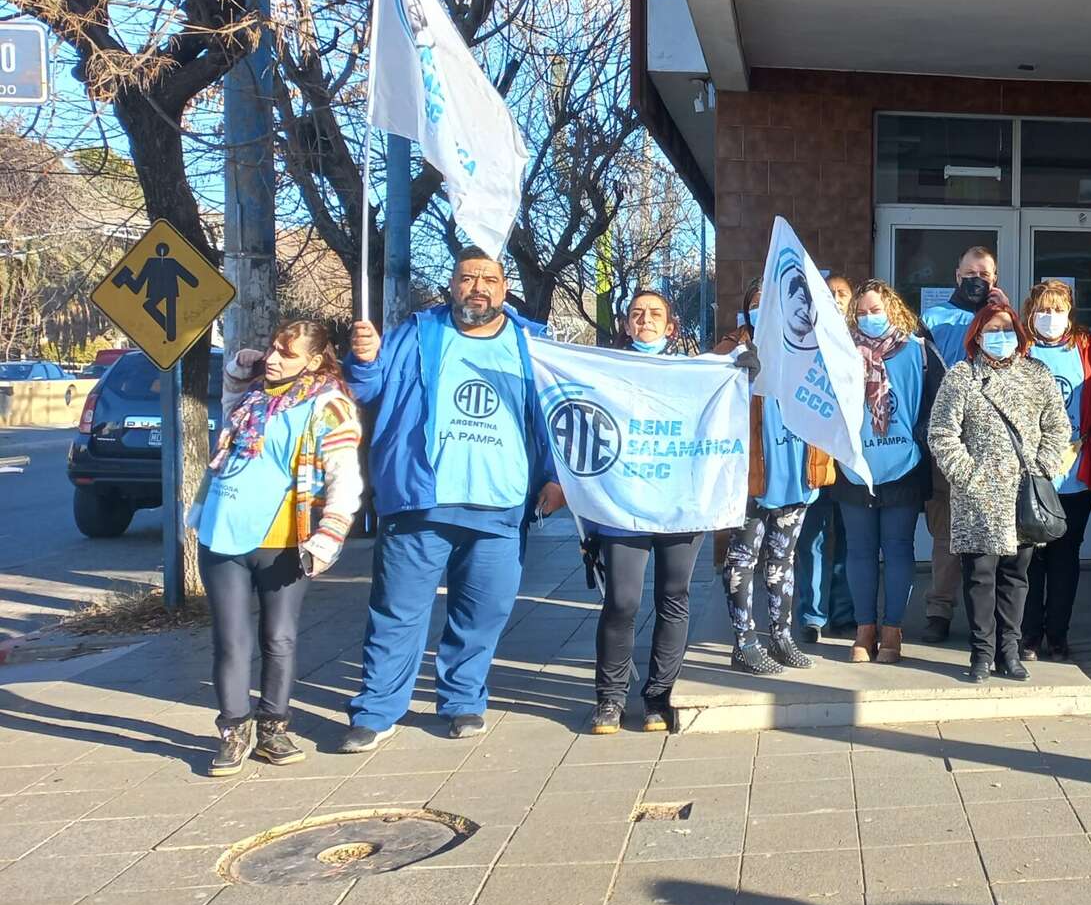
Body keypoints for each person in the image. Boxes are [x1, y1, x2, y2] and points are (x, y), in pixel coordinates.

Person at [343, 250, 563, 752]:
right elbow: (366, 389)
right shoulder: (415, 333)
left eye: (489, 278)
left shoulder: (533, 344)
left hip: (501, 504)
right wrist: (364, 357)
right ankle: (377, 710)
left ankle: (463, 700)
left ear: (505, 288)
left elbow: (554, 415)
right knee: (397, 612)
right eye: (467, 278)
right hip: (421, 500)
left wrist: (554, 478)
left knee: (482, 612)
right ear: (452, 285)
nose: (478, 287)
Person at [196, 321, 363, 775]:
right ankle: (233, 729)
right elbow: (229, 404)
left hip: (283, 539)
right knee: (230, 639)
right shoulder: (253, 397)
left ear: (313, 360)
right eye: (271, 349)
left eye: (285, 354)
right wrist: (235, 370)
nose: (271, 359)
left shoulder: (330, 407)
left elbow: (344, 478)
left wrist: (329, 533)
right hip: (222, 531)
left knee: (279, 637)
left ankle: (272, 726)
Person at [574, 289, 709, 736]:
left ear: (671, 327)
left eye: (655, 314)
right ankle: (610, 699)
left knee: (674, 597)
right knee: (622, 600)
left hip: (678, 504)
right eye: (637, 314)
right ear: (626, 325)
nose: (645, 320)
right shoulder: (605, 372)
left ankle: (657, 697)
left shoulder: (694, 373)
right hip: (623, 503)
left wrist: (743, 375)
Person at [927, 293, 1070, 682]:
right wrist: (968, 475)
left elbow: (1058, 428)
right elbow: (941, 433)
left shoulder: (1036, 374)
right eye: (993, 330)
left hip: (1022, 495)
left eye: (1007, 329)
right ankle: (981, 652)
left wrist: (1041, 469)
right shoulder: (961, 376)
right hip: (977, 495)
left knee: (1016, 576)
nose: (1001, 336)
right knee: (980, 577)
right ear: (977, 335)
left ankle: (1010, 649)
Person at [710, 280, 836, 677]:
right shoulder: (731, 347)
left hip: (798, 470)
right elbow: (707, 391)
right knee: (743, 559)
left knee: (782, 560)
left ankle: (781, 636)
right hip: (752, 477)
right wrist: (734, 368)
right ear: (746, 311)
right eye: (758, 303)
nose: (767, 310)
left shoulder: (809, 345)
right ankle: (745, 642)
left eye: (774, 303)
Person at [833, 279, 947, 662]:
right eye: (862, 312)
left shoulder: (918, 351)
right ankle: (865, 630)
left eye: (875, 310)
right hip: (855, 466)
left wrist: (920, 435)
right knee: (860, 550)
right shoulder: (840, 352)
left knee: (898, 549)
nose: (869, 318)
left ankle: (893, 630)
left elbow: (939, 401)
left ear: (892, 310)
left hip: (903, 464)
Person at [1018, 279, 1091, 660]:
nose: (1050, 317)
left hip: (1075, 467)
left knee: (1065, 553)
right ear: (1031, 312)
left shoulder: (1087, 347)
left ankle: (1057, 634)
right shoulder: (1019, 347)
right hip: (1029, 471)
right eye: (1043, 310)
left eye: (1058, 309)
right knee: (1028, 554)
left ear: (1070, 313)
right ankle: (1029, 634)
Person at [921, 246, 999, 643]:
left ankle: (985, 620)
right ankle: (939, 609)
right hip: (946, 443)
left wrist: (1004, 314)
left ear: (994, 278)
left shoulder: (1002, 320)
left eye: (984, 274)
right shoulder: (932, 320)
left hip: (990, 445)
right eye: (970, 272)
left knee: (990, 532)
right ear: (956, 275)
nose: (976, 280)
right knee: (947, 531)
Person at [794, 271, 860, 642]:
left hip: (849, 459)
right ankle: (812, 615)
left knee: (850, 540)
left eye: (842, 292)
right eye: (828, 292)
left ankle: (844, 612)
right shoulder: (803, 342)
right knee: (812, 538)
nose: (835, 298)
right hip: (813, 458)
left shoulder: (862, 344)